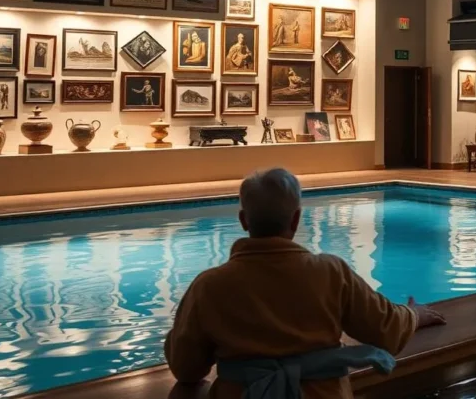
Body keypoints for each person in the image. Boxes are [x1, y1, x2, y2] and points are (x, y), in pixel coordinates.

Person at [164, 168, 445, 399]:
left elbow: (185, 367)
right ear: (296, 219)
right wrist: (414, 315)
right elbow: (386, 329)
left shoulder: (209, 286)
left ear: (243, 221)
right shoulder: (330, 272)